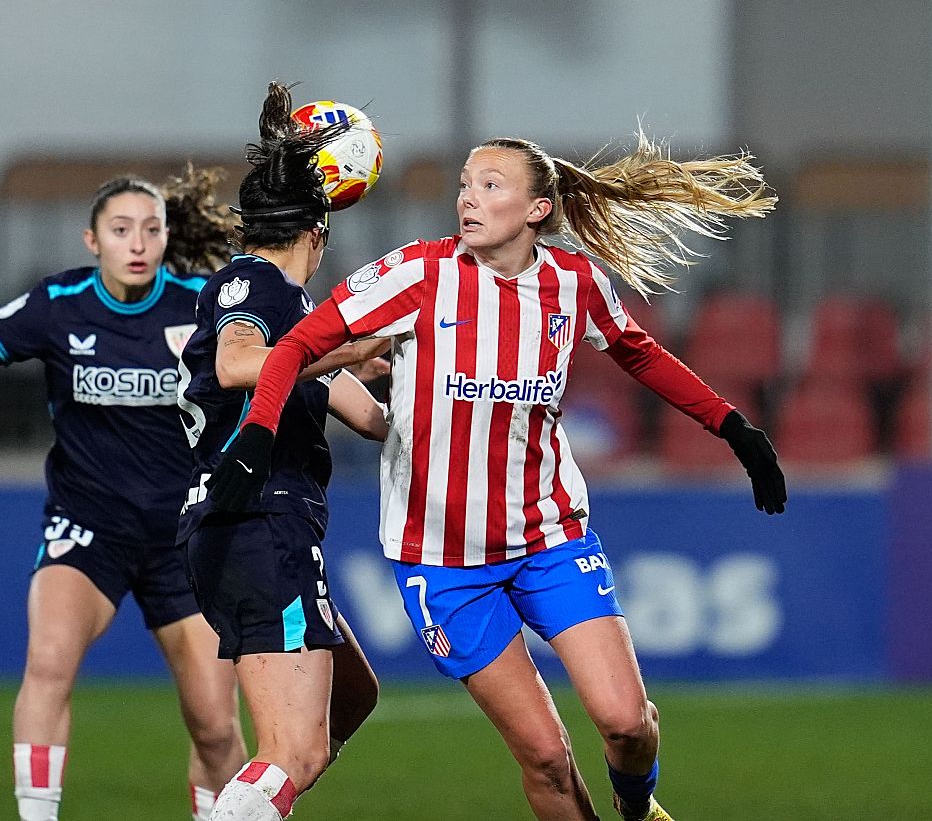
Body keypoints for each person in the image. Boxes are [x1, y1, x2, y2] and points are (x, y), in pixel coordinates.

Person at [209, 133, 789, 821]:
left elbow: (640, 352)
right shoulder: (417, 275)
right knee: (545, 756)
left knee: (627, 724)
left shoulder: (573, 284)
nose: (467, 198)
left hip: (549, 536)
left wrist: (734, 429)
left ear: (538, 207)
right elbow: (301, 344)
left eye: (489, 185)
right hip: (443, 561)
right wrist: (256, 432)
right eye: (463, 184)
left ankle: (638, 807)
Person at [0, 169, 245, 821]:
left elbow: (284, 360)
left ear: (169, 237)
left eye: (150, 229)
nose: (137, 243)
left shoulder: (204, 304)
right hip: (89, 527)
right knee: (49, 661)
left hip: (185, 539)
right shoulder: (60, 305)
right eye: (120, 230)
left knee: (215, 725)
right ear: (92, 239)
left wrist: (351, 373)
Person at [177, 82, 389, 821]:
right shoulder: (253, 282)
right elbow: (240, 364)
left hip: (252, 529)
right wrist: (347, 346)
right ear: (319, 235)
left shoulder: (296, 319)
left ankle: (250, 807)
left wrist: (419, 374)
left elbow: (373, 421)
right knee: (295, 748)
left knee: (352, 698)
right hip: (259, 522)